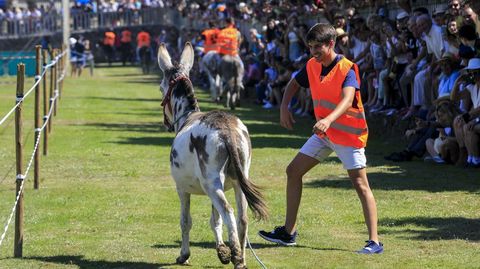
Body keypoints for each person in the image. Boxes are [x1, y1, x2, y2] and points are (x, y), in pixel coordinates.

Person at [258, 23, 383, 254]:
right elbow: (294, 84)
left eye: (318, 47)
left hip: (348, 135)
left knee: (360, 184)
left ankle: (374, 242)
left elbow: (347, 100)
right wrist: (284, 106)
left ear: (331, 44)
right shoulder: (312, 65)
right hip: (325, 134)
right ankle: (288, 232)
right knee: (293, 171)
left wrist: (328, 120)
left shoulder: (348, 68)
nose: (313, 52)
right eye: (310, 47)